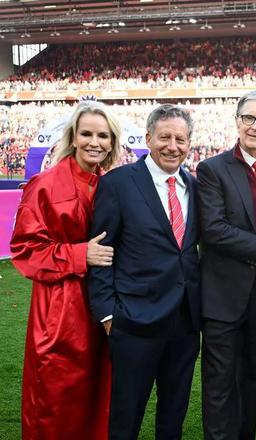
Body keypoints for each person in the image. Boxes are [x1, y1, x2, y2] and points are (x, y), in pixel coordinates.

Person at [88, 104, 201, 440]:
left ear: (189, 143)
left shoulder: (195, 186)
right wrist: (108, 314)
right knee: (125, 420)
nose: (172, 146)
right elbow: (101, 251)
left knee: (173, 419)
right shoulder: (119, 183)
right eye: (164, 137)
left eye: (180, 139)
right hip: (134, 323)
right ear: (148, 138)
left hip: (184, 323)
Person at [10, 101, 120, 439]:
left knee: (98, 397)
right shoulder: (44, 184)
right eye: (86, 134)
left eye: (103, 136)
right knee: (53, 403)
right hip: (58, 313)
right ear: (73, 137)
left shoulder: (112, 185)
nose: (94, 142)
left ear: (112, 142)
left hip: (102, 309)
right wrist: (80, 254)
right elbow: (25, 250)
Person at [196, 90, 256, 440]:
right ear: (237, 121)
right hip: (224, 297)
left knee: (253, 379)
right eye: (248, 118)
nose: (255, 126)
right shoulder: (212, 169)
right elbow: (214, 230)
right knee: (219, 385)